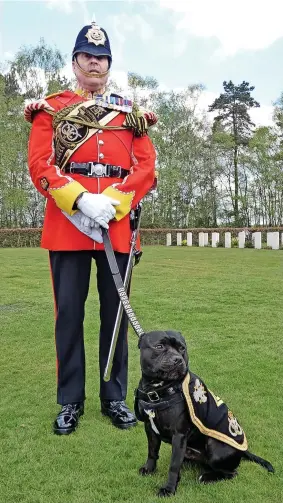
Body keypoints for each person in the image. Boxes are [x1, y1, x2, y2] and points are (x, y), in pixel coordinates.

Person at [25, 21, 157, 435]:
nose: (94, 63)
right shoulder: (52, 109)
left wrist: (114, 203)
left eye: (101, 58)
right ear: (75, 62)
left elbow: (146, 167)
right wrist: (81, 200)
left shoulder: (130, 114)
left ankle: (114, 396)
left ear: (109, 64)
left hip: (115, 227)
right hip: (68, 227)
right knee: (69, 317)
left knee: (114, 315)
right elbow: (40, 165)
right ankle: (70, 401)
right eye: (87, 56)